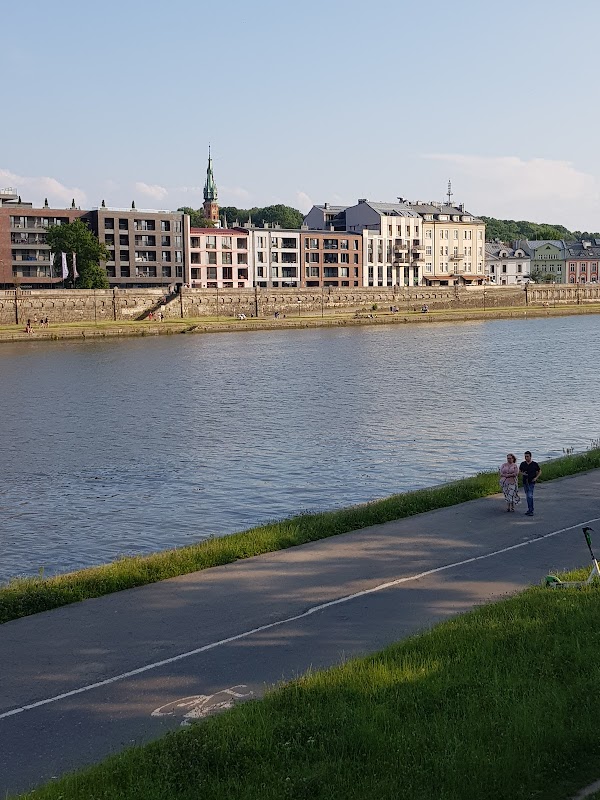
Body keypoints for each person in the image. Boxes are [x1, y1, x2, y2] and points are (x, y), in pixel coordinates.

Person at [519, 451, 541, 516]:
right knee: (527, 495)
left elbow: (539, 471)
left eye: (527, 456)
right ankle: (529, 509)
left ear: (530, 457)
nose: (526, 458)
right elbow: (519, 471)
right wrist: (523, 473)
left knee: (529, 495)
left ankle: (531, 510)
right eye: (525, 456)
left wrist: (536, 478)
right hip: (525, 482)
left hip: (531, 482)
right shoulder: (523, 464)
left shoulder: (534, 464)